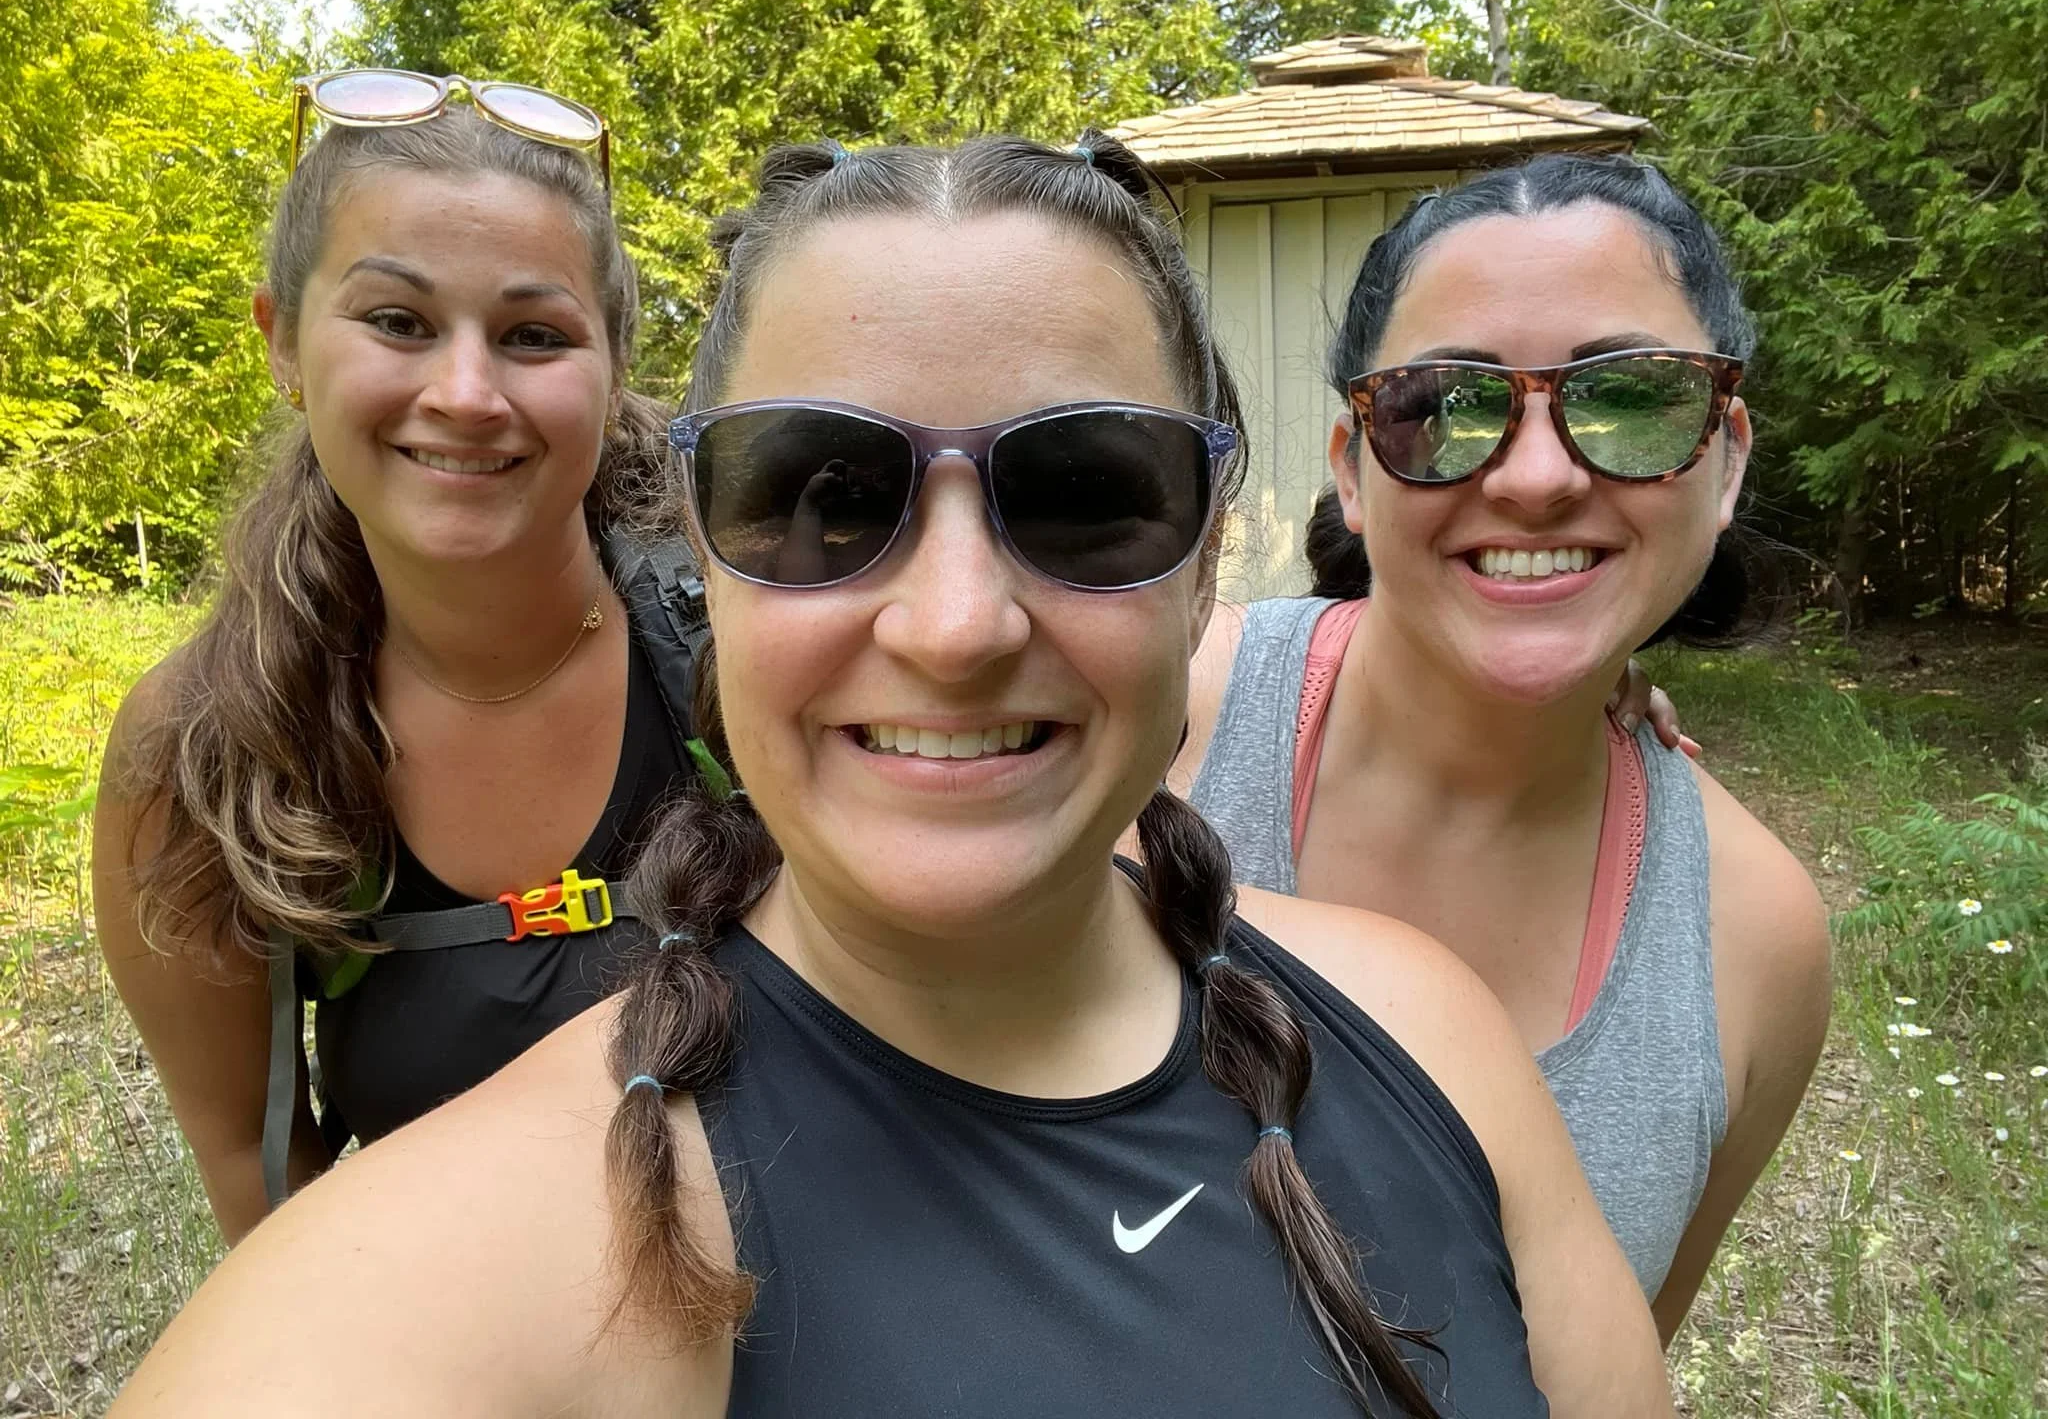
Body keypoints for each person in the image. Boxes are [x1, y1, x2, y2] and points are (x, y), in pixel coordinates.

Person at [109, 134, 1678, 1419]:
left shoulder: (1429, 1034)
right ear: (700, 562)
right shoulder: (461, 1264)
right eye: (823, 497)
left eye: (1084, 496)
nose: (952, 624)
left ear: (1209, 564)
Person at [1176, 153, 1832, 1342]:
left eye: (1632, 398)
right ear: (1354, 472)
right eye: (1447, 405)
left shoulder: (1752, 942)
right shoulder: (1161, 724)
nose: (1534, 478)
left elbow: (1613, 1362)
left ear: (1725, 456)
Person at [92, 72, 712, 1245]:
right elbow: (258, 1166)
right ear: (281, 342)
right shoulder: (201, 751)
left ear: (612, 363)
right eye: (397, 322)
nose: (465, 394)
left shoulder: (749, 650)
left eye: (533, 336)